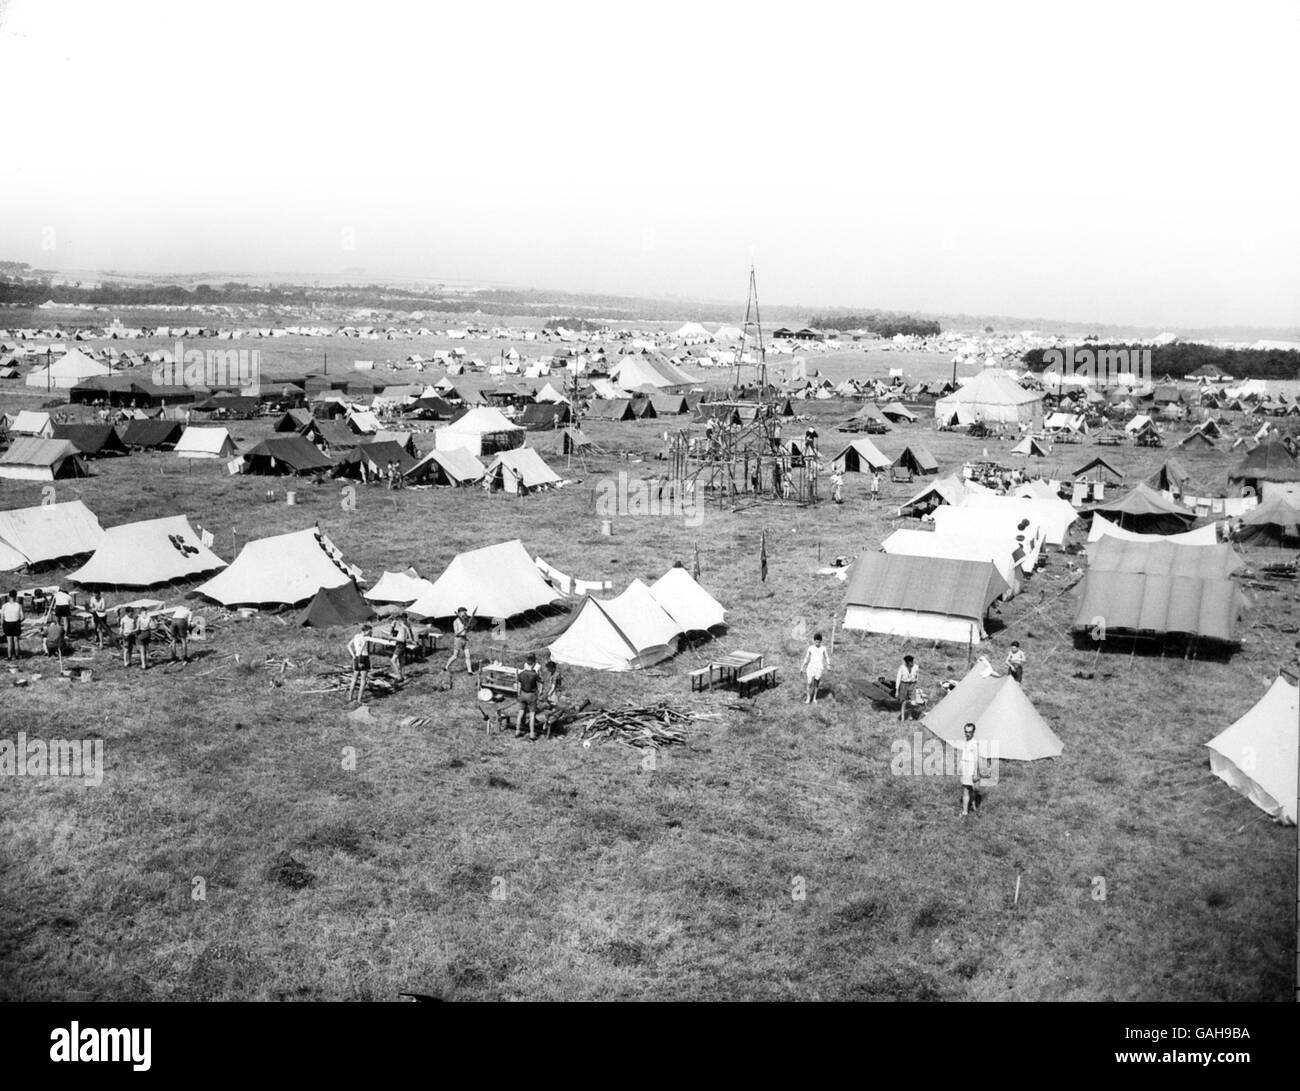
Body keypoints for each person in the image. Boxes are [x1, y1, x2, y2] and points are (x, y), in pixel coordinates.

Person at [445, 606, 474, 682]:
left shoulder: (465, 620)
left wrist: (468, 628)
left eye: (465, 612)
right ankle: (446, 667)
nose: (465, 613)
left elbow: (467, 630)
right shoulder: (456, 621)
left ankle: (469, 671)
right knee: (455, 656)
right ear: (459, 613)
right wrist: (463, 628)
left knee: (468, 655)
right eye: (463, 612)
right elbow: (456, 633)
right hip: (458, 639)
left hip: (465, 639)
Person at [516, 653, 541, 740]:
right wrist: (539, 693)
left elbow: (518, 686)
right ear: (534, 663)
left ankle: (517, 730)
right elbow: (540, 684)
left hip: (523, 694)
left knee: (521, 712)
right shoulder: (535, 674)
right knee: (532, 714)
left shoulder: (521, 673)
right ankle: (531, 733)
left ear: (526, 663)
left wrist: (519, 694)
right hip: (531, 695)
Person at [346, 623, 373, 704]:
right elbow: (361, 649)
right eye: (370, 631)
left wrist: (353, 656)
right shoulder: (364, 638)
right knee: (363, 680)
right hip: (363, 657)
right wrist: (361, 661)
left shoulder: (356, 636)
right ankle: (359, 700)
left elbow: (348, 646)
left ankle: (350, 697)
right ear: (366, 631)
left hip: (356, 657)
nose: (370, 633)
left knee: (354, 679)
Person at [801, 632, 829, 704]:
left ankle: (814, 698)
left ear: (820, 641)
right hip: (811, 667)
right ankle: (808, 697)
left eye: (819, 642)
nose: (817, 643)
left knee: (816, 683)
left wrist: (828, 664)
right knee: (809, 682)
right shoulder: (810, 648)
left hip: (819, 668)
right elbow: (806, 657)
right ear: (814, 641)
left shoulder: (823, 648)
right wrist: (802, 667)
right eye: (816, 641)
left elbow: (826, 657)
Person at [960, 722, 982, 816]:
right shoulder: (966, 742)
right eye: (966, 731)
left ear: (973, 732)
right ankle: (973, 804)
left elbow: (976, 758)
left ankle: (965, 812)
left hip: (971, 769)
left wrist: (976, 772)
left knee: (965, 790)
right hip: (965, 768)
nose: (967, 733)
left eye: (970, 732)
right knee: (970, 789)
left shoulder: (974, 743)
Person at [389, 612, 413, 683]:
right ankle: (402, 675)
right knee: (401, 661)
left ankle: (399, 676)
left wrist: (392, 638)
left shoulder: (404, 627)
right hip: (401, 645)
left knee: (393, 660)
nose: (398, 621)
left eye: (399, 619)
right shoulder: (404, 627)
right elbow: (408, 638)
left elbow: (402, 639)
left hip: (400, 645)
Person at [895, 654, 919, 721]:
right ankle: (902, 717)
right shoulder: (902, 668)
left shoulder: (916, 667)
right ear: (906, 662)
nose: (911, 663)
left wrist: (916, 685)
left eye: (912, 661)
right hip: (904, 684)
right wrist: (897, 690)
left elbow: (917, 677)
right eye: (910, 662)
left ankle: (910, 715)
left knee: (913, 702)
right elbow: (898, 678)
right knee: (903, 701)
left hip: (912, 684)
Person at [2, 590, 23, 660]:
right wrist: (19, 622)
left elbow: (2, 617)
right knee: (16, 641)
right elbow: (23, 617)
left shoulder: (4, 606)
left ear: (9, 596)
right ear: (16, 596)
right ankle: (17, 656)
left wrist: (3, 625)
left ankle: (9, 656)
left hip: (7, 623)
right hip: (16, 623)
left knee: (9, 642)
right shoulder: (18, 605)